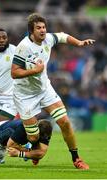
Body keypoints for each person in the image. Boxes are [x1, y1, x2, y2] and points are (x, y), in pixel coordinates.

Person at [11, 13, 95, 170]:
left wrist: (79, 43)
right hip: (25, 95)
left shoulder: (48, 39)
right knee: (33, 136)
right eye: (38, 28)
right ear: (31, 30)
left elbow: (63, 36)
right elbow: (14, 73)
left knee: (65, 122)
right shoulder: (23, 48)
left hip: (44, 89)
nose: (43, 30)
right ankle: (33, 148)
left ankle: (76, 158)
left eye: (44, 27)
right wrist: (34, 70)